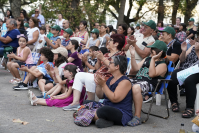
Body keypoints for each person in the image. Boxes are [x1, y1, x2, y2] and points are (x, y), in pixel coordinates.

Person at [62, 34, 126, 110]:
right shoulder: (106, 54)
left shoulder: (120, 55)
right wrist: (98, 59)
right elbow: (96, 67)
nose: (108, 41)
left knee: (89, 78)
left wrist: (102, 58)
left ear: (116, 43)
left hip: (108, 78)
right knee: (78, 75)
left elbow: (115, 67)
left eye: (111, 40)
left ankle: (90, 103)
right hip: (97, 74)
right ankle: (76, 102)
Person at [80, 55, 132, 128]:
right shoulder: (111, 79)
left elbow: (115, 99)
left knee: (102, 110)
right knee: (86, 102)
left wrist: (103, 85)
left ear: (117, 67)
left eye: (111, 63)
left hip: (121, 112)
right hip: (107, 106)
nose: (108, 64)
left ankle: (88, 115)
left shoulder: (125, 81)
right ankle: (103, 120)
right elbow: (101, 96)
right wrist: (98, 84)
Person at [127, 40, 168, 126]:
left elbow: (152, 74)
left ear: (160, 52)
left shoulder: (162, 65)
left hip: (149, 84)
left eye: (152, 51)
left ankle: (137, 117)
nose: (150, 52)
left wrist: (153, 59)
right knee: (122, 83)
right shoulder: (147, 59)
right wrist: (133, 55)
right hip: (138, 80)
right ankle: (122, 111)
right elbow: (135, 68)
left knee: (136, 87)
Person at [167, 40, 199, 118]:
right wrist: (184, 51)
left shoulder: (197, 48)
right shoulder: (193, 46)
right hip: (186, 69)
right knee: (171, 78)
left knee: (189, 80)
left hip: (197, 71)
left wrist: (198, 52)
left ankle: (190, 107)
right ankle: (174, 102)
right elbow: (182, 60)